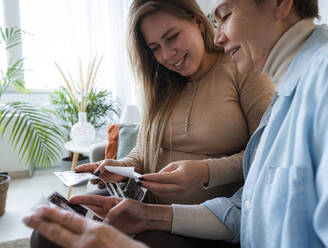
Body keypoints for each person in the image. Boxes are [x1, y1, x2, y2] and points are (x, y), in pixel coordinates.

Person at [25, 0, 328, 247]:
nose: (219, 37)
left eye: (224, 16)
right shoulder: (289, 93)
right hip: (156, 205)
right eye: (155, 48)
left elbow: (253, 185)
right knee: (49, 231)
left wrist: (205, 172)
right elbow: (244, 208)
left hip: (190, 217)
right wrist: (127, 178)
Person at [77, 0, 273, 205]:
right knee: (64, 215)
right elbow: (145, 149)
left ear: (198, 22)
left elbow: (267, 151)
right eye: (155, 48)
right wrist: (121, 166)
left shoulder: (242, 69)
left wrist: (205, 171)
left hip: (207, 218)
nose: (167, 55)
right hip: (145, 204)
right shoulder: (161, 84)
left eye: (172, 37)